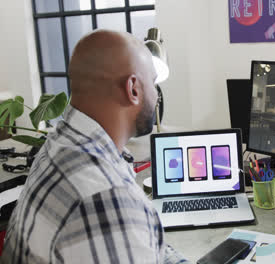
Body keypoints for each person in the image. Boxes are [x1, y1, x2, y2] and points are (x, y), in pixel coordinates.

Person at [1, 30, 189, 263]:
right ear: (133, 89)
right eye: (152, 83)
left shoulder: (58, 146)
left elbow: (144, 247)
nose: (157, 96)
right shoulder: (106, 198)